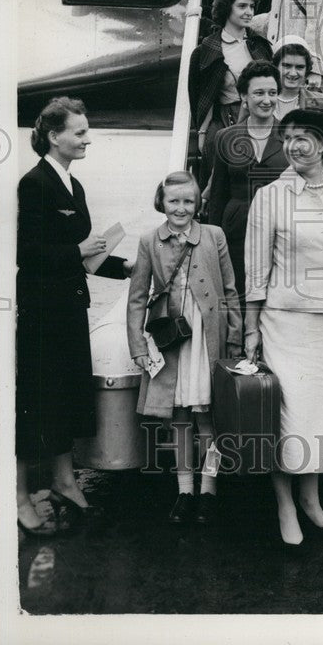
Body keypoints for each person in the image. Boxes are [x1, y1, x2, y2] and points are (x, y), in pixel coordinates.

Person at [16, 97, 132, 535]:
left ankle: (65, 482)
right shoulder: (34, 183)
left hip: (69, 306)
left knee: (64, 396)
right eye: (79, 132)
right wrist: (77, 250)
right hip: (42, 311)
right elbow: (26, 253)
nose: (87, 139)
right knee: (37, 401)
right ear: (53, 136)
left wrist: (127, 267)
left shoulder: (73, 185)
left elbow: (87, 257)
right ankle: (19, 498)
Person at [244, 109, 323, 546]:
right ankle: (285, 504)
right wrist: (251, 328)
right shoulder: (270, 196)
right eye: (287, 138)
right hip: (284, 320)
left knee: (320, 415)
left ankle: (311, 498)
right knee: (287, 416)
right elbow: (255, 270)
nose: (293, 146)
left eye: (303, 137)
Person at [127, 171, 242, 525]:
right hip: (172, 341)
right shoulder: (149, 241)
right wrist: (138, 346)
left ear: (198, 203)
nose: (181, 208)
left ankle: (209, 488)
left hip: (208, 339)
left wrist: (235, 338)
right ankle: (184, 490)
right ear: (161, 202)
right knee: (179, 420)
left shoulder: (214, 235)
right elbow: (137, 298)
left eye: (188, 201)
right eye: (173, 201)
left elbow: (229, 290)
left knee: (209, 419)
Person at [208, 61, 288, 300]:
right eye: (259, 93)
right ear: (244, 96)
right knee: (239, 296)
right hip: (237, 231)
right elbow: (218, 194)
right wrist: (213, 242)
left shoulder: (291, 136)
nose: (267, 100)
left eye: (272, 93)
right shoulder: (225, 137)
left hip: (281, 229)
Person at [188, 0, 273, 188]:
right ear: (227, 8)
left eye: (251, 6)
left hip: (260, 117)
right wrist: (202, 132)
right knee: (217, 173)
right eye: (242, 6)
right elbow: (202, 96)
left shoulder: (260, 46)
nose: (249, 12)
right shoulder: (207, 49)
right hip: (225, 118)